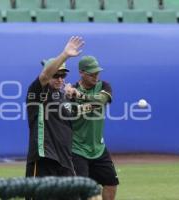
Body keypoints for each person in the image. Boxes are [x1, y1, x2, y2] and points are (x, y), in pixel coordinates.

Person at [25, 36, 84, 178]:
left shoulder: (64, 96)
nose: (60, 78)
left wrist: (78, 97)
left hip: (65, 161)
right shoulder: (38, 92)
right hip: (45, 158)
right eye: (56, 75)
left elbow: (83, 111)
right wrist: (65, 55)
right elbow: (45, 76)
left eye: (62, 75)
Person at [65, 56, 119, 200]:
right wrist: (72, 95)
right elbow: (73, 110)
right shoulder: (71, 91)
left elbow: (101, 100)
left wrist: (80, 96)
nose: (96, 76)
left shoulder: (103, 86)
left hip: (98, 148)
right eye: (91, 73)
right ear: (81, 72)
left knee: (111, 184)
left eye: (97, 72)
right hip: (77, 149)